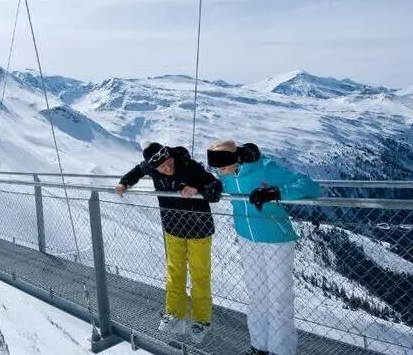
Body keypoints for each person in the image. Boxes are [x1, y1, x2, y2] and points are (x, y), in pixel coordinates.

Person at [207, 140, 321, 355]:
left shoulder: (266, 168)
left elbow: (311, 186)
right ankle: (258, 347)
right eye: (216, 169)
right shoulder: (227, 175)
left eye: (222, 167)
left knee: (279, 298)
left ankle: (281, 351)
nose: (220, 172)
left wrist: (275, 193)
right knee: (257, 296)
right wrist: (215, 186)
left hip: (276, 239)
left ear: (235, 159)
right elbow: (225, 182)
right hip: (247, 239)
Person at [116, 141, 223, 344]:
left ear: (170, 156)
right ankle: (175, 314)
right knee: (175, 272)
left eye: (168, 162)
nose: (167, 167)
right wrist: (125, 182)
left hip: (198, 229)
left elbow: (215, 186)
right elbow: (137, 171)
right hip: (173, 228)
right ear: (153, 166)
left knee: (199, 275)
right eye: (162, 166)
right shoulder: (150, 166)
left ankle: (201, 320)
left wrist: (198, 187)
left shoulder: (188, 165)